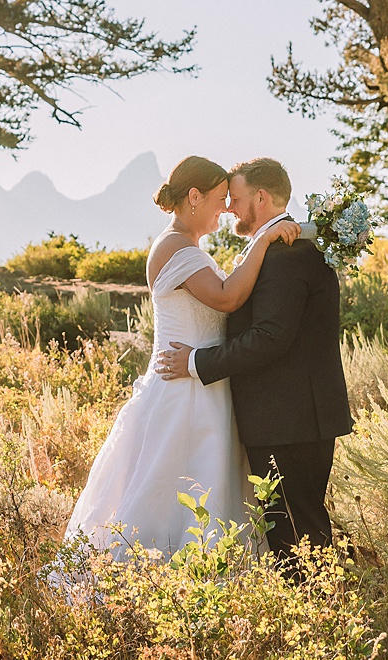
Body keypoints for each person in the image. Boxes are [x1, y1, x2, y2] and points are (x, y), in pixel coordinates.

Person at [61, 155, 300, 556]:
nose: (226, 208)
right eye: (221, 198)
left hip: (203, 382)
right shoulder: (175, 247)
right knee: (174, 489)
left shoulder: (185, 246)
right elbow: (226, 298)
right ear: (194, 196)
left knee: (205, 488)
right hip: (184, 390)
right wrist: (263, 240)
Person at [155, 158, 353, 559]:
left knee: (298, 531)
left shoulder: (287, 252)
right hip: (284, 417)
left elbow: (269, 338)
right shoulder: (278, 249)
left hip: (290, 419)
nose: (229, 207)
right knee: (289, 530)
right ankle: (309, 607)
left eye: (237, 198)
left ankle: (317, 611)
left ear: (261, 198)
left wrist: (197, 362)